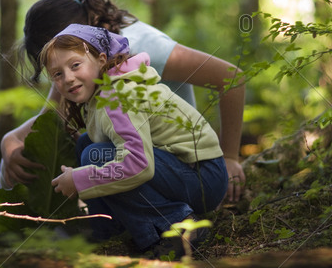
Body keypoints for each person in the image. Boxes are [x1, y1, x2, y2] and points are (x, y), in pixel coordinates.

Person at [0, 0, 246, 201]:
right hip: (145, 154)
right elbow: (53, 119)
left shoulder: (142, 46)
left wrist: (230, 158)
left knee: (93, 154)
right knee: (84, 148)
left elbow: (231, 78)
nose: (64, 76)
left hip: (183, 162)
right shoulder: (80, 61)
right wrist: (10, 140)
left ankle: (174, 221)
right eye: (55, 70)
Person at [42, 24, 228, 255]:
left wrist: (80, 179)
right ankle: (109, 231)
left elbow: (139, 165)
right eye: (58, 74)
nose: (68, 78)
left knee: (95, 155)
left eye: (75, 65)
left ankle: (178, 226)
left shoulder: (117, 97)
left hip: (203, 176)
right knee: (87, 144)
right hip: (180, 169)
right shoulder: (100, 96)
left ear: (101, 60)